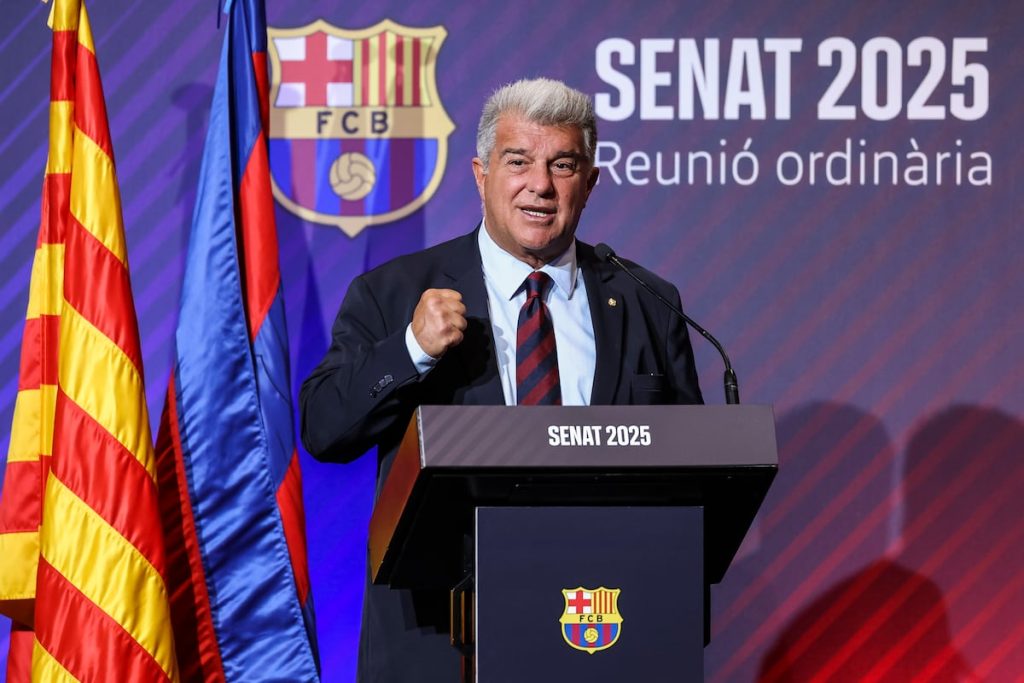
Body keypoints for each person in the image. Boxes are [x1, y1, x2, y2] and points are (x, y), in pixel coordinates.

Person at [300, 77, 703, 682]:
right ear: (481, 173)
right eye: (518, 161)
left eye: (562, 164)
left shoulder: (649, 301)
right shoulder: (394, 293)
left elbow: (692, 481)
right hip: (440, 638)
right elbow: (324, 428)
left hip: (601, 627)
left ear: (590, 183)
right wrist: (410, 350)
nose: (540, 185)